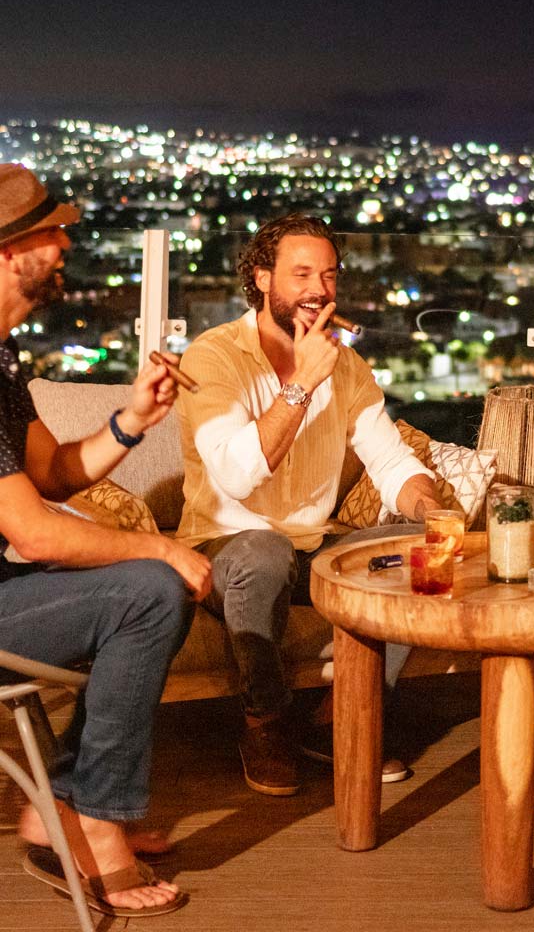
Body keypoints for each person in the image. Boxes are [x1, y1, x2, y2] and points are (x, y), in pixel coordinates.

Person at [0, 163, 213, 917]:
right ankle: (94, 819)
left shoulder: (1, 358)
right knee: (151, 590)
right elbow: (31, 530)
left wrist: (132, 420)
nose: (65, 244)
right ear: (9, 251)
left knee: (152, 590)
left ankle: (59, 807)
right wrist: (161, 548)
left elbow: (53, 474)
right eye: (51, 232)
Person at [175, 213, 445, 795]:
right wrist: (299, 384)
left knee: (417, 554)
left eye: (327, 275)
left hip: (313, 547)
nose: (318, 290)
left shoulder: (345, 367)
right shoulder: (211, 357)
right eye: (300, 274)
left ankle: (336, 720)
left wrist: (429, 509)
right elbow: (238, 475)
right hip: (225, 549)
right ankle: (264, 723)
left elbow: (391, 461)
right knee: (265, 552)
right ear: (262, 278)